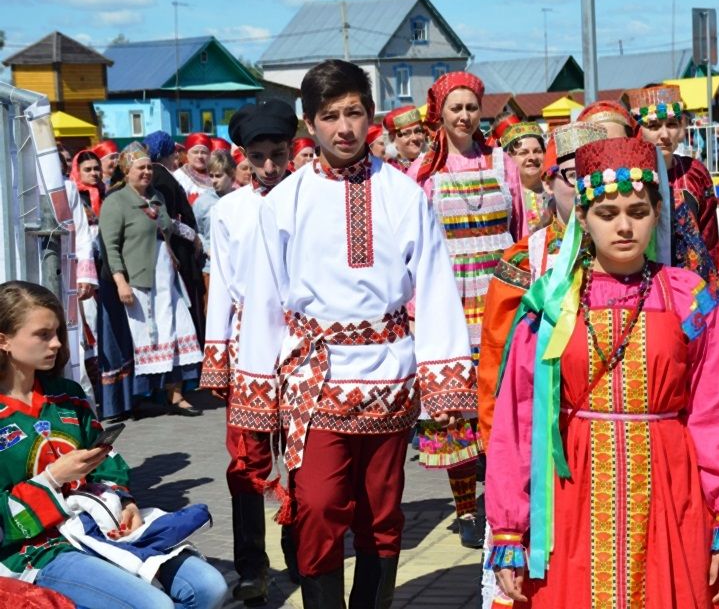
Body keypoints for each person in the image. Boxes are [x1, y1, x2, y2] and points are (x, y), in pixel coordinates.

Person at [235, 59, 475, 609]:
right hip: (317, 380)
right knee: (318, 506)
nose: (344, 127)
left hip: (390, 374)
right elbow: (264, 299)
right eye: (329, 115)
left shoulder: (404, 194)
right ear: (309, 124)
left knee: (382, 510)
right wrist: (256, 393)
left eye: (354, 112)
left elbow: (437, 284)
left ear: (370, 115)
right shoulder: (285, 201)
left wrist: (443, 384)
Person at [485, 137, 719, 608]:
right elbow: (519, 416)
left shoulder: (689, 298)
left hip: (670, 493)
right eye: (607, 214)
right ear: (584, 220)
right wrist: (510, 524)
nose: (625, 226)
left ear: (658, 213)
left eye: (638, 211)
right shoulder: (552, 301)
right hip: (571, 496)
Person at [0, 280, 228, 609]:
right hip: (37, 549)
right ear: (4, 340)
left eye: (58, 333)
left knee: (209, 587)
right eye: (42, 334)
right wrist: (52, 479)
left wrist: (124, 501)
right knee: (154, 606)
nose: (56, 344)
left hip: (98, 527)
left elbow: (106, 461)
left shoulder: (68, 394)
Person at [476, 120, 607, 609]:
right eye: (573, 175)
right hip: (539, 447)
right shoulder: (524, 261)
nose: (585, 187)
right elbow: (496, 362)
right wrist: (500, 449)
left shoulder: (636, 256)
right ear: (549, 182)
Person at [407, 71, 526, 549]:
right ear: (440, 112)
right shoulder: (424, 172)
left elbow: (519, 231)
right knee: (456, 410)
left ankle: (504, 499)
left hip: (500, 300)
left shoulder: (504, 164)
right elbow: (412, 246)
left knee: (505, 402)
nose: (464, 116)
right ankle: (465, 508)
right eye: (455, 108)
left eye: (471, 107)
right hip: (448, 300)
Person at [200, 99, 298, 605]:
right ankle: (252, 566)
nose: (268, 167)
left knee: (305, 458)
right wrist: (217, 355)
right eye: (257, 157)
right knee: (246, 464)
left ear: (291, 150)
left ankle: (300, 549)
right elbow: (220, 286)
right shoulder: (227, 210)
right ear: (243, 157)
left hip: (306, 350)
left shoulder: (309, 199)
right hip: (249, 352)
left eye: (277, 154)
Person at [98, 142, 204, 416]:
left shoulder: (156, 196)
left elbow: (167, 227)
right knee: (145, 337)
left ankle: (177, 395)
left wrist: (190, 236)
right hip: (137, 279)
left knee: (179, 330)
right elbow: (110, 246)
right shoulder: (116, 201)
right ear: (126, 171)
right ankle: (138, 398)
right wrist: (121, 282)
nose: (146, 172)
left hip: (166, 276)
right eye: (140, 168)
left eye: (148, 167)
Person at [625, 85, 719, 262]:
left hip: (691, 284)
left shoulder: (694, 172)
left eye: (671, 124)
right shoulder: (626, 177)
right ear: (638, 131)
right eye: (653, 126)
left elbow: (710, 241)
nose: (665, 135)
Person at [145, 131, 207, 346]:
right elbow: (165, 219)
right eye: (173, 152)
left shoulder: (156, 174)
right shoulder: (160, 176)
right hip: (175, 247)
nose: (176, 157)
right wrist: (193, 236)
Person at [66, 150, 104, 401]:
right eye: (87, 169)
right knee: (84, 328)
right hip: (75, 271)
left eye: (95, 168)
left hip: (97, 269)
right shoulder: (73, 192)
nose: (93, 174)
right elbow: (80, 233)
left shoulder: (106, 192)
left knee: (97, 328)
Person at [192, 150, 238, 280]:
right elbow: (195, 231)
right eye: (211, 176)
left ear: (231, 175)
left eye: (218, 176)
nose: (214, 180)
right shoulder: (202, 202)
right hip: (211, 268)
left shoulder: (240, 199)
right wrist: (207, 247)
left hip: (237, 268)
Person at [501, 121, 553, 233]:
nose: (532, 157)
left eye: (537, 151)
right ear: (508, 159)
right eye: (523, 153)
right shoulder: (504, 197)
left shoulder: (556, 191)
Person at [382, 105, 426, 171]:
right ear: (392, 138)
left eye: (418, 131)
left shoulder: (435, 162)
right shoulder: (388, 170)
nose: (414, 138)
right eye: (406, 133)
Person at [174, 133, 214, 204]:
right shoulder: (179, 177)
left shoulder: (216, 175)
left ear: (210, 155)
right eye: (195, 152)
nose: (200, 156)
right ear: (187, 154)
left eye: (204, 152)